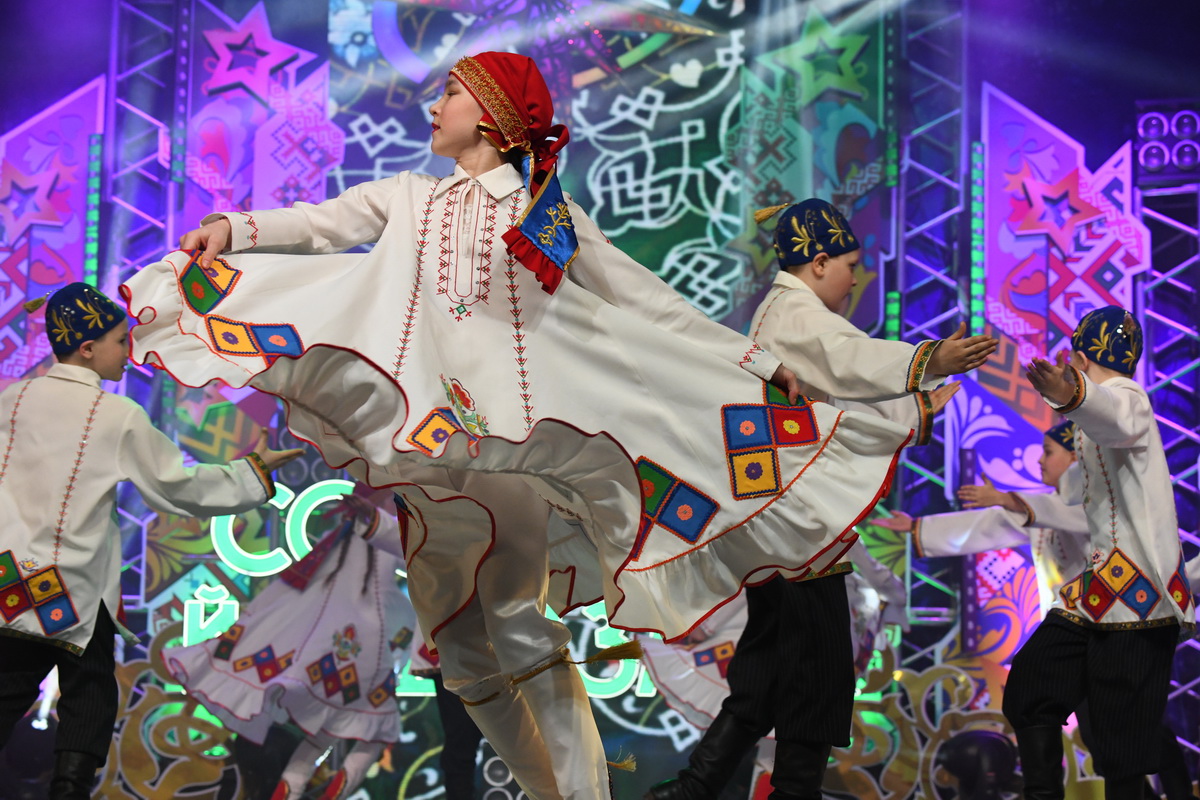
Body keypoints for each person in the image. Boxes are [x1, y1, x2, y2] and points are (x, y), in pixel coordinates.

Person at [122, 54, 916, 800]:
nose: (434, 105)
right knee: (463, 656)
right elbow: (323, 223)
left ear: (494, 116)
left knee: (516, 625)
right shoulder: (410, 197)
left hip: (511, 448)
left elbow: (639, 296)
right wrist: (234, 229)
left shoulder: (542, 213)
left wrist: (748, 358)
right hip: (430, 453)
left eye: (452, 93)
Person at [644, 198, 996, 800]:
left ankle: (692, 791)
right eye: (850, 264)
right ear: (820, 261)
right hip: (799, 532)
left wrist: (915, 408)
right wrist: (928, 360)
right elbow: (853, 360)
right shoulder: (796, 316)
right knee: (819, 674)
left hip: (777, 523)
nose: (856, 278)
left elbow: (839, 402)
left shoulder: (786, 316)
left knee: (765, 674)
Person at [0, 283, 302, 799]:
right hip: (72, 584)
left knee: (7, 689)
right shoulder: (115, 415)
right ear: (87, 347)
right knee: (90, 696)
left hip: (9, 581)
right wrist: (253, 472)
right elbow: (177, 488)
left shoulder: (11, 399)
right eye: (121, 340)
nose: (129, 350)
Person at [1004, 306, 1194, 800]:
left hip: (1139, 599)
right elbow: (1070, 492)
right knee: (1031, 688)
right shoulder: (1089, 420)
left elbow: (1117, 418)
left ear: (1080, 359)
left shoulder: (1129, 398)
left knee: (1121, 747)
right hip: (1097, 591)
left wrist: (1070, 395)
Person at [162, 494, 415, 800]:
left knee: (327, 724)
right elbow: (416, 552)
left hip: (340, 648)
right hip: (369, 642)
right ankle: (330, 787)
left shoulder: (336, 543)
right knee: (378, 727)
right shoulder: (390, 534)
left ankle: (292, 784)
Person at [879, 420, 1089, 617]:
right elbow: (989, 524)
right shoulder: (1040, 512)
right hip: (1065, 617)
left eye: (1048, 452)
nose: (1040, 460)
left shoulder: (1090, 505)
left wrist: (1003, 498)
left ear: (1073, 458)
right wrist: (916, 526)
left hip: (1092, 614)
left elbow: (1060, 511)